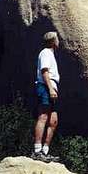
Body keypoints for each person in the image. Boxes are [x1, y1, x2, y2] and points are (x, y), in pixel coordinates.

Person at [31, 31, 61, 163]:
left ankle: (45, 151)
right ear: (53, 41)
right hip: (45, 87)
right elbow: (44, 71)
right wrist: (50, 88)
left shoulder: (51, 55)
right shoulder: (46, 53)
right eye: (57, 39)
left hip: (52, 88)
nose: (59, 41)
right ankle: (37, 151)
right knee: (43, 117)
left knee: (53, 121)